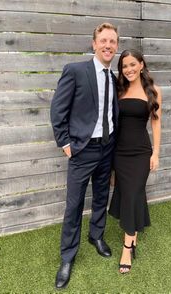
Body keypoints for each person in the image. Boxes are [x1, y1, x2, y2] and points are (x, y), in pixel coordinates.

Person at [50, 23, 119, 289]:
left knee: (101, 196)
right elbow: (58, 111)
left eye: (112, 41)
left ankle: (96, 235)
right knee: (74, 204)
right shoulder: (76, 71)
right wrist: (65, 142)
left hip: (107, 148)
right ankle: (68, 256)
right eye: (103, 40)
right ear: (94, 43)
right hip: (82, 150)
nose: (108, 45)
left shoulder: (113, 78)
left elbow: (112, 114)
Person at [108, 49, 162, 273]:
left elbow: (156, 123)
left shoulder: (153, 91)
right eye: (124, 66)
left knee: (132, 193)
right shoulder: (119, 90)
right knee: (129, 192)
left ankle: (127, 246)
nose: (128, 69)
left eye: (132, 64)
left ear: (141, 64)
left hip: (141, 152)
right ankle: (134, 231)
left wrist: (156, 152)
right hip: (119, 152)